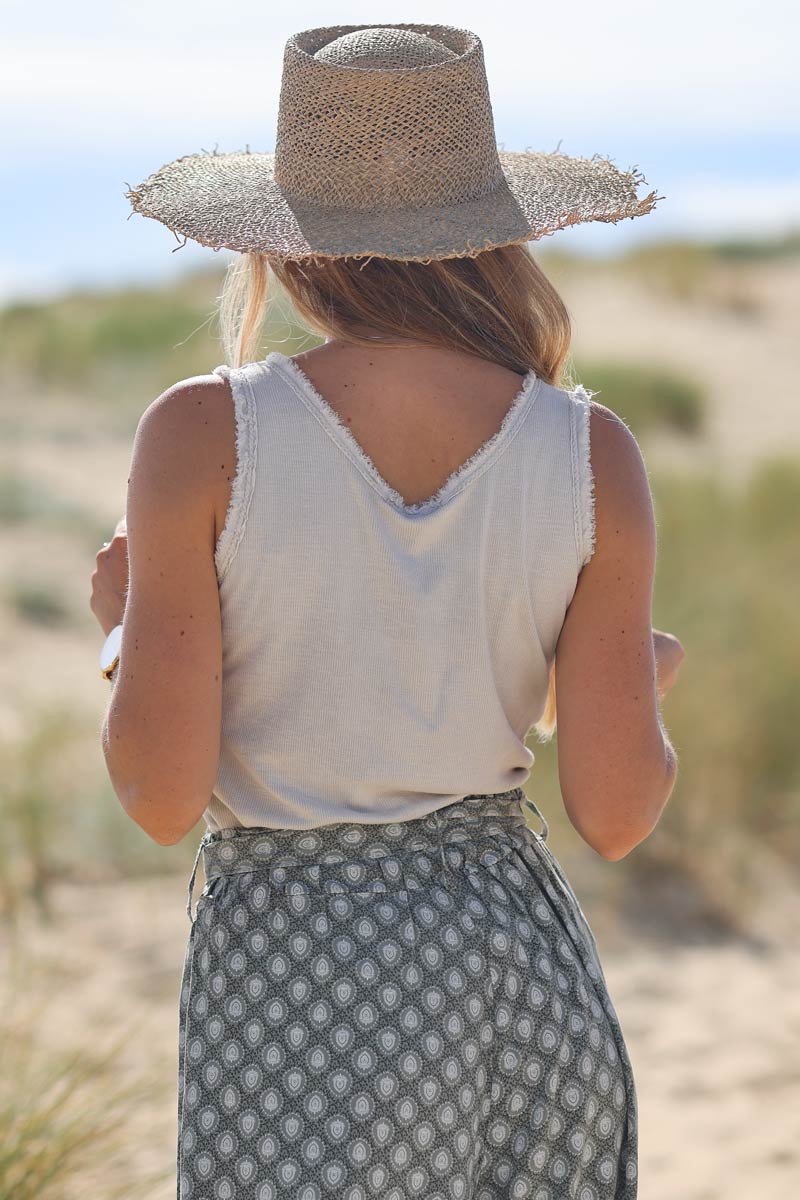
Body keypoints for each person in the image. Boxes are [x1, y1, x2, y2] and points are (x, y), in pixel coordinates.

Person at [93, 22, 684, 1199]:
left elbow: (163, 799)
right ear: (491, 231)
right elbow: (615, 815)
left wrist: (125, 634)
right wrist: (621, 684)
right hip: (516, 969)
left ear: (290, 245)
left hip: (302, 979)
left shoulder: (203, 436)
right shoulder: (586, 451)